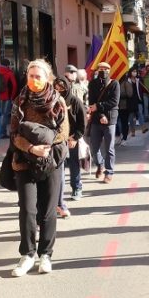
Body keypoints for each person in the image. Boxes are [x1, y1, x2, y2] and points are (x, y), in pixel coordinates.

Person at [9, 60, 70, 276]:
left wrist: (45, 144)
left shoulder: (58, 101)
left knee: (47, 210)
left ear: (48, 78)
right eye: (30, 76)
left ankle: (46, 254)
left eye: (38, 76)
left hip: (51, 161)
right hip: (25, 159)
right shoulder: (20, 101)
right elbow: (14, 134)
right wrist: (31, 148)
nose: (33, 80)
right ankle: (27, 255)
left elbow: (63, 132)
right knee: (27, 209)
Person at [54, 72, 86, 214]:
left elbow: (82, 123)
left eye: (62, 88)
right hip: (57, 141)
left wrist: (75, 137)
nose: (59, 91)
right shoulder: (52, 102)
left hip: (72, 138)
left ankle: (76, 187)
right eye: (56, 88)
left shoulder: (75, 102)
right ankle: (56, 198)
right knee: (58, 169)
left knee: (74, 164)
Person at [86, 61, 120, 183]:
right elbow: (92, 102)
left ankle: (109, 172)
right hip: (97, 120)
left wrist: (100, 109)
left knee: (109, 148)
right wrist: (100, 114)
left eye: (105, 69)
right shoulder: (92, 84)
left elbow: (114, 102)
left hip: (110, 120)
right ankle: (100, 164)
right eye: (100, 69)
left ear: (109, 70)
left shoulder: (115, 84)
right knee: (94, 147)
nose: (103, 71)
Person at [0, 58, 17, 138]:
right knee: (3, 115)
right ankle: (2, 133)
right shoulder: (9, 73)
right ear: (7, 65)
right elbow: (14, 85)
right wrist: (12, 97)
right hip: (6, 97)